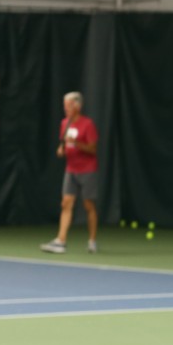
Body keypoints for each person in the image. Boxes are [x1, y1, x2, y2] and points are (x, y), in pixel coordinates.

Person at [41, 91, 99, 254]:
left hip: (87, 170)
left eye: (68, 105)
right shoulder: (64, 123)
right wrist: (61, 149)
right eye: (64, 105)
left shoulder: (88, 125)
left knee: (89, 205)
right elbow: (64, 144)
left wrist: (77, 144)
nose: (65, 108)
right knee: (66, 204)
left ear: (77, 106)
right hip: (70, 170)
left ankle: (92, 241)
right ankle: (61, 240)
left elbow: (93, 149)